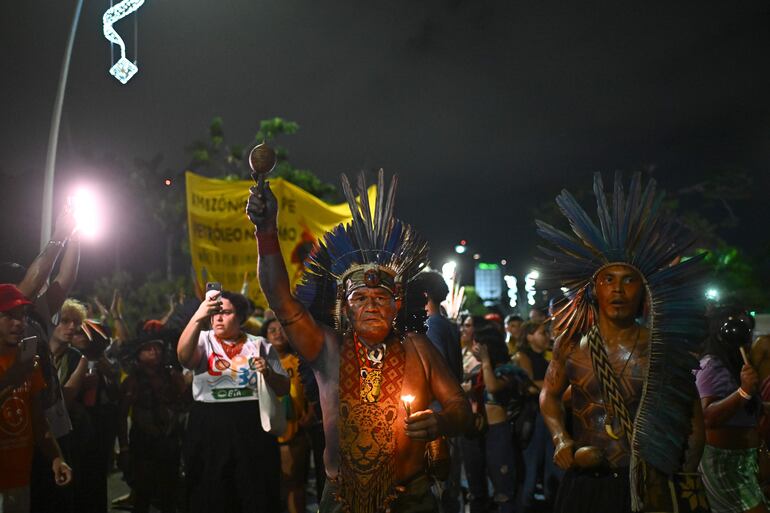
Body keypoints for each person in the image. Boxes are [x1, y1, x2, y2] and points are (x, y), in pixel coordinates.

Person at [248, 169, 472, 513]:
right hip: (343, 498)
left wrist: (441, 422)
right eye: (360, 298)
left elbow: (461, 409)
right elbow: (280, 299)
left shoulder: (418, 347)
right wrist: (265, 231)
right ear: (343, 307)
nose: (370, 306)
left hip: (410, 498)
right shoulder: (327, 349)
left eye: (380, 298)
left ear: (397, 304)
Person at [538, 173, 706, 513]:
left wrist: (683, 478)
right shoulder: (571, 345)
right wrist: (560, 439)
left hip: (649, 484)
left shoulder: (662, 348)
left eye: (629, 280)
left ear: (643, 289)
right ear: (593, 288)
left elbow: (693, 422)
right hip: (586, 483)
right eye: (608, 280)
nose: (618, 289)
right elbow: (549, 395)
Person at [177, 289, 289, 513]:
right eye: (214, 313)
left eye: (225, 313)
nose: (218, 318)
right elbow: (183, 357)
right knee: (210, 492)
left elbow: (284, 387)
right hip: (208, 424)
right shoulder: (202, 340)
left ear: (240, 317)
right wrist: (198, 316)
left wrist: (268, 373)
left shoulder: (260, 344)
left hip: (250, 424)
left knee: (255, 492)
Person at [0, 284, 72, 513]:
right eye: (9, 316)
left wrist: (56, 458)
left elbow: (39, 421)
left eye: (21, 316)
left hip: (20, 479)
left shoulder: (27, 360)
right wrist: (12, 378)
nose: (19, 323)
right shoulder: (21, 367)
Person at [696, 310, 767, 513]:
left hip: (744, 460)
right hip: (723, 463)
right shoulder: (710, 365)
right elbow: (707, 416)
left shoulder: (738, 364)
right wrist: (743, 392)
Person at [461, 324, 526, 513]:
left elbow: (493, 387)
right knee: (476, 489)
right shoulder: (478, 373)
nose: (473, 348)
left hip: (498, 433)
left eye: (476, 345)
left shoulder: (506, 370)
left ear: (486, 348)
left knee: (503, 488)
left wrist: (486, 360)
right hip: (477, 432)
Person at [118, 338, 187, 513]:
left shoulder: (171, 375)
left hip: (169, 441)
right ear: (138, 355)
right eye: (147, 349)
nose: (154, 352)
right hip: (143, 443)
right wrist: (124, 447)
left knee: (169, 493)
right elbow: (121, 415)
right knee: (143, 493)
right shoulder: (133, 380)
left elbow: (185, 402)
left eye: (157, 348)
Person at [262, 318, 312, 513]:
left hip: (295, 433)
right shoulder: (259, 363)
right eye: (272, 330)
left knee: (295, 484)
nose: (277, 333)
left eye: (281, 329)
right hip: (268, 435)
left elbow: (311, 392)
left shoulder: (300, 361)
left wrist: (311, 412)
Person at [513, 321, 562, 511]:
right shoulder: (522, 356)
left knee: (553, 462)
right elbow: (529, 384)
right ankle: (525, 505)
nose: (547, 336)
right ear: (529, 336)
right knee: (531, 466)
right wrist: (555, 387)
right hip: (534, 418)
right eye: (543, 333)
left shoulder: (546, 356)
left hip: (547, 415)